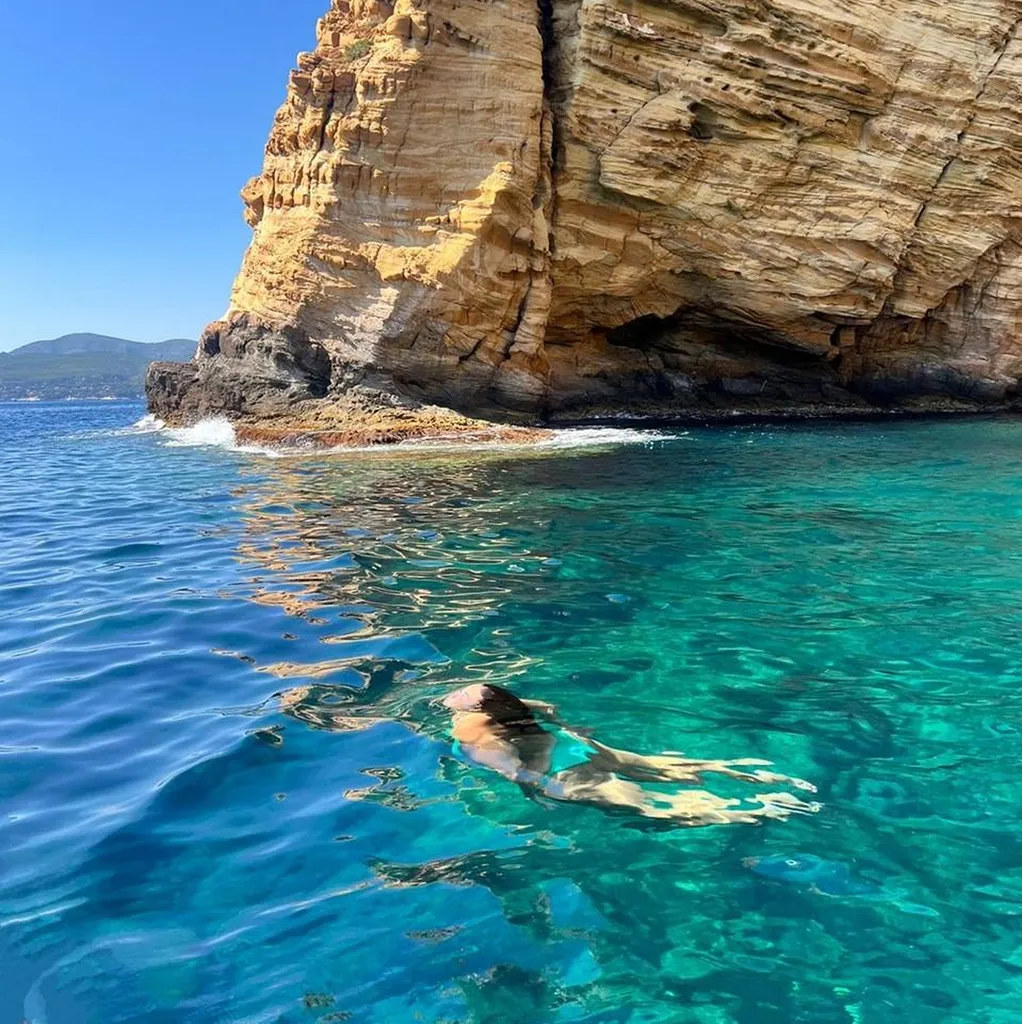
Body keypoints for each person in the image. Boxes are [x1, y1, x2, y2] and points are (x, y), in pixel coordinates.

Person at [442, 683, 820, 827]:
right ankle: (761, 775)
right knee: (666, 766)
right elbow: (549, 708)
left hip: (561, 769)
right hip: (577, 746)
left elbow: (513, 770)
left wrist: (537, 791)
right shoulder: (515, 703)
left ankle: (761, 808)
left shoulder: (469, 731)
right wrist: (573, 731)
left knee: (652, 807)